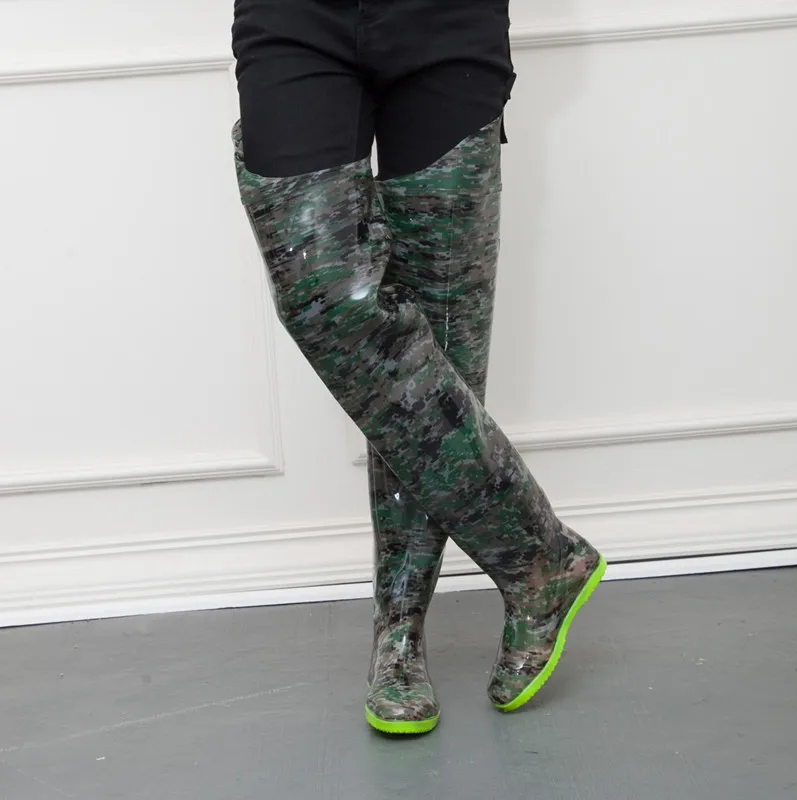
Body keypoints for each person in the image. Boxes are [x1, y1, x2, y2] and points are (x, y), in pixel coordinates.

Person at [231, 0, 605, 735]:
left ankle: (399, 632)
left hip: (448, 21)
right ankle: (542, 558)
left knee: (440, 336)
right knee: (325, 301)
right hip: (293, 18)